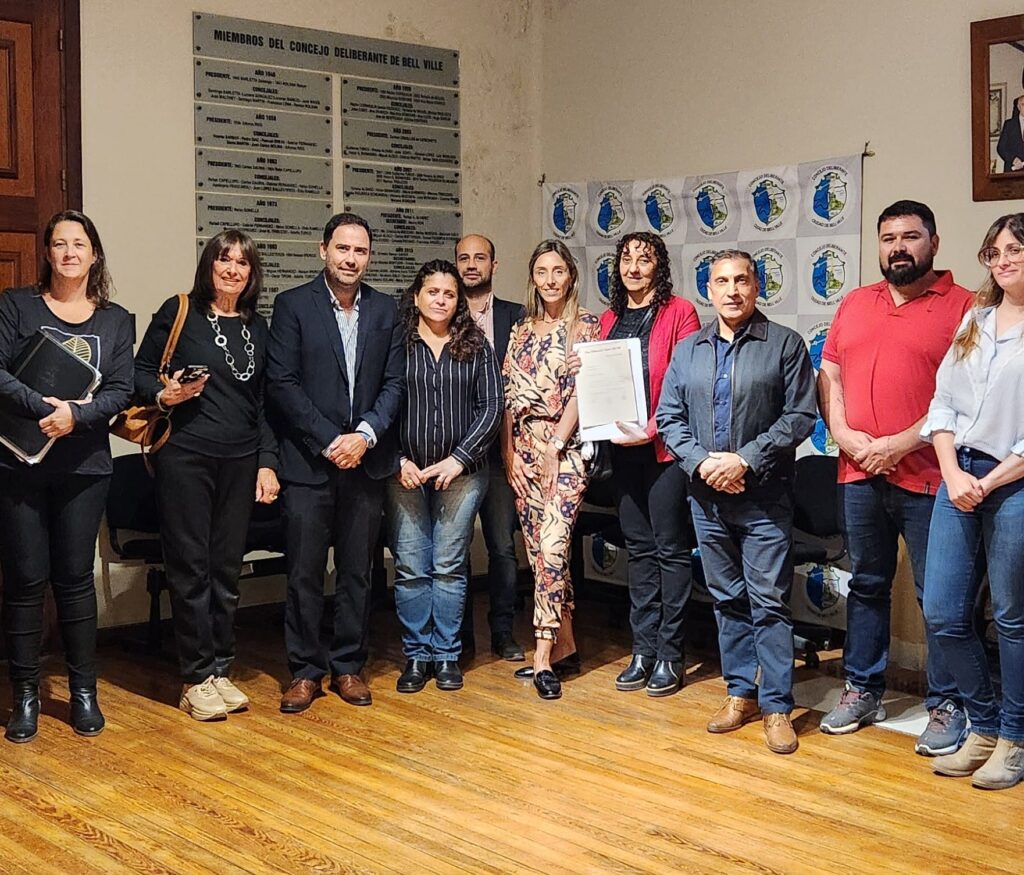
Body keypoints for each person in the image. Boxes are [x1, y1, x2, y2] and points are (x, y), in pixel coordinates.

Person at [817, 200, 973, 755]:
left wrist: (898, 444)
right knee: (866, 584)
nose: (898, 247)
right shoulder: (856, 302)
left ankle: (947, 702)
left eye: (910, 236)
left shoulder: (966, 306)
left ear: (933, 242)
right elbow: (830, 375)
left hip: (933, 477)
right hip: (858, 472)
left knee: (939, 597)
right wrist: (844, 435)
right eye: (888, 238)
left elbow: (965, 397)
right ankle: (862, 689)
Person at [656, 250, 816, 754]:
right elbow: (669, 418)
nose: (732, 290)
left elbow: (799, 416)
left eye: (741, 280)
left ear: (756, 286)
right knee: (727, 599)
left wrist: (744, 460)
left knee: (768, 602)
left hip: (764, 498)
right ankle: (740, 693)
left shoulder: (785, 344)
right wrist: (703, 463)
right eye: (721, 281)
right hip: (706, 499)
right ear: (708, 290)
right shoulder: (689, 350)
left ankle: (776, 706)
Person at [135, 229, 279, 721]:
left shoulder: (258, 326)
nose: (232, 269)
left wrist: (267, 461)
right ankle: (195, 677)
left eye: (242, 262)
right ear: (208, 265)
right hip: (186, 457)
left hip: (240, 460)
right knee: (191, 568)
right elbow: (138, 372)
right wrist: (165, 395)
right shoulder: (180, 312)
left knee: (226, 570)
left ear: (252, 273)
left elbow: (264, 403)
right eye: (224, 259)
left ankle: (220, 669)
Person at [0, 210, 134, 742]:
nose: (70, 253)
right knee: (26, 580)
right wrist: (45, 408)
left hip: (85, 468)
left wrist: (76, 416)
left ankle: (83, 693)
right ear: (48, 253)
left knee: (75, 581)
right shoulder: (16, 305)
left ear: (94, 254)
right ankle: (25, 695)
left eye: (79, 244)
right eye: (60, 244)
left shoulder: (116, 320)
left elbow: (121, 390)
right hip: (20, 463)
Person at [267, 212, 404, 713]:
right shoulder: (292, 305)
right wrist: (330, 441)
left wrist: (363, 436)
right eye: (342, 248)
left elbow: (395, 383)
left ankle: (348, 665)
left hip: (365, 463)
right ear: (323, 250)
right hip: (309, 464)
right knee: (304, 572)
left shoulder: (387, 309)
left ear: (370, 257)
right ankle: (305, 671)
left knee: (356, 572)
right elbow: (282, 384)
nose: (351, 259)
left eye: (360, 251)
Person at [922, 213, 1024, 791]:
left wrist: (989, 482)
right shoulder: (975, 321)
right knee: (942, 611)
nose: (1003, 260)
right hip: (957, 475)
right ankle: (982, 726)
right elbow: (942, 405)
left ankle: (1015, 738)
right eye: (995, 252)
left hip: (1014, 482)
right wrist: (953, 472)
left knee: (1011, 618)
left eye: (1015, 250)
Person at [387, 260, 502, 693]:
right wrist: (397, 459)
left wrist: (458, 459)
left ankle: (447, 654)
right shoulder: (396, 343)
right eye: (432, 292)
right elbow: (379, 404)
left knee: (449, 565)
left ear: (459, 302)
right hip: (405, 474)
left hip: (462, 474)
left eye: (449, 294)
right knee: (411, 567)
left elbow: (492, 407)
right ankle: (417, 656)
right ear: (416, 296)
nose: (441, 300)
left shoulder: (476, 345)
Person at [598, 232, 700, 697]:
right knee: (638, 550)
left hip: (665, 450)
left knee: (670, 550)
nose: (634, 267)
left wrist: (654, 428)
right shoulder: (609, 318)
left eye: (644, 259)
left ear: (660, 266)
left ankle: (670, 654)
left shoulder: (680, 313)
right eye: (626, 259)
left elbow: (688, 383)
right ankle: (642, 649)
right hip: (622, 450)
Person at [502, 239, 599, 700]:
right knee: (538, 553)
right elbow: (507, 398)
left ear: (571, 275)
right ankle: (566, 645)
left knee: (553, 548)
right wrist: (508, 454)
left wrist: (555, 446)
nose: (550, 280)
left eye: (558, 270)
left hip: (566, 449)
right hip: (523, 448)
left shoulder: (586, 326)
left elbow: (583, 392)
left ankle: (541, 656)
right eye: (542, 271)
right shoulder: (520, 330)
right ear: (532, 277)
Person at [455, 233, 526, 661]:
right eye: (463, 258)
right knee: (457, 548)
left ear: (493, 266)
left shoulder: (517, 316)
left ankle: (502, 631)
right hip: (456, 453)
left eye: (479, 257)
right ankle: (461, 638)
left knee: (502, 546)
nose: (471, 265)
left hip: (501, 452)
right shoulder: (442, 310)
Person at [996, 95, 1024, 173]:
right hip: (1013, 171)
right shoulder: (1009, 124)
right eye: (1023, 104)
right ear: (1018, 107)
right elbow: (1001, 147)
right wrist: (1013, 159)